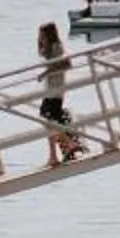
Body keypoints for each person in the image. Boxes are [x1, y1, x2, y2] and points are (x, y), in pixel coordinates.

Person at [37, 21, 80, 166]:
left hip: (56, 90)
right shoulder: (50, 49)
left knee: (48, 119)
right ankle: (54, 155)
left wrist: (45, 72)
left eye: (43, 35)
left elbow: (67, 64)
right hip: (51, 90)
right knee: (48, 120)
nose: (41, 37)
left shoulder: (57, 47)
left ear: (49, 34)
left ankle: (67, 146)